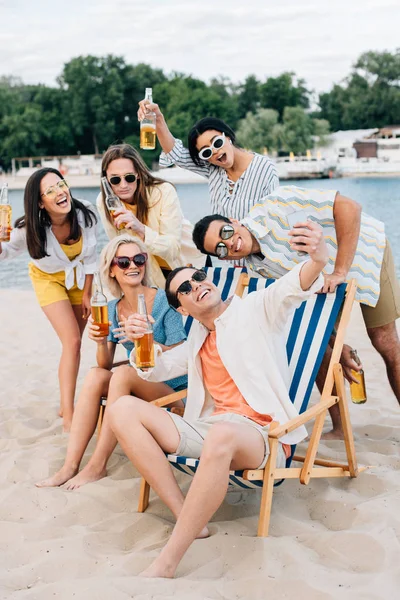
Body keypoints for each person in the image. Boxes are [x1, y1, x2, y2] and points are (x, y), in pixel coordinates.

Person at [107, 222, 328, 579]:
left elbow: (293, 285)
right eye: (185, 289)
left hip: (261, 435)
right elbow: (158, 369)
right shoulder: (196, 334)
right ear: (181, 308)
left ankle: (168, 561)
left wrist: (317, 255)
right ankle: (185, 513)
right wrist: (140, 343)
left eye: (197, 277)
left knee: (222, 433)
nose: (196, 285)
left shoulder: (257, 308)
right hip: (209, 429)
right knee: (121, 409)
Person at [192, 185, 400, 436]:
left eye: (225, 232)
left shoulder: (277, 205)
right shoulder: (257, 271)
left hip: (366, 257)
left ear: (234, 222)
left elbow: (350, 207)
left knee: (384, 341)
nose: (229, 244)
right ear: (223, 259)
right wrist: (334, 343)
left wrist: (340, 271)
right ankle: (340, 428)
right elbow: (301, 309)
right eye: (220, 249)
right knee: (320, 348)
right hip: (327, 285)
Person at [36, 235, 188, 489]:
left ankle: (97, 465)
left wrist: (143, 342)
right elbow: (105, 364)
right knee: (96, 375)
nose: (133, 266)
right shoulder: (111, 309)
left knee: (124, 374)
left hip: (173, 389)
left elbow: (180, 351)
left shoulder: (164, 302)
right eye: (124, 261)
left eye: (139, 259)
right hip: (140, 384)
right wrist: (99, 342)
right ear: (112, 270)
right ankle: (70, 466)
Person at [0, 168, 97, 431]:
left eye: (61, 185)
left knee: (74, 346)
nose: (60, 192)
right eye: (50, 190)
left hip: (79, 279)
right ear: (41, 202)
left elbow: (91, 257)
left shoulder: (85, 212)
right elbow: (5, 253)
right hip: (46, 279)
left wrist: (88, 293)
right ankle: (68, 416)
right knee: (73, 340)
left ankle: (66, 405)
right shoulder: (27, 229)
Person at [137, 99, 279, 222]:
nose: (215, 151)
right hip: (220, 251)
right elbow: (176, 153)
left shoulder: (264, 168)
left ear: (227, 136)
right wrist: (159, 120)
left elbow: (273, 218)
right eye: (206, 152)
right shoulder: (211, 167)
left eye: (217, 142)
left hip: (254, 251)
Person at [96, 143, 204, 288]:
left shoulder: (163, 192)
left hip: (187, 266)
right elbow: (119, 248)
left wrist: (140, 228)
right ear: (106, 180)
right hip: (152, 276)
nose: (123, 185)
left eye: (129, 178)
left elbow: (172, 249)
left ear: (138, 175)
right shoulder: (104, 202)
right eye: (115, 179)